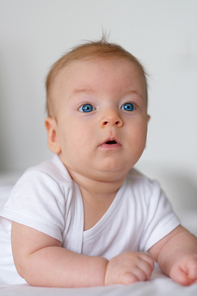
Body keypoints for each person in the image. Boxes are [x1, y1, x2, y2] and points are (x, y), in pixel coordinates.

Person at [0, 37, 197, 288]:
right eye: (87, 107)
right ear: (54, 134)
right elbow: (32, 260)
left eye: (128, 105)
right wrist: (104, 272)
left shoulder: (146, 193)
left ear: (146, 127)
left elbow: (171, 240)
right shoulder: (43, 186)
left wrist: (185, 258)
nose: (111, 118)